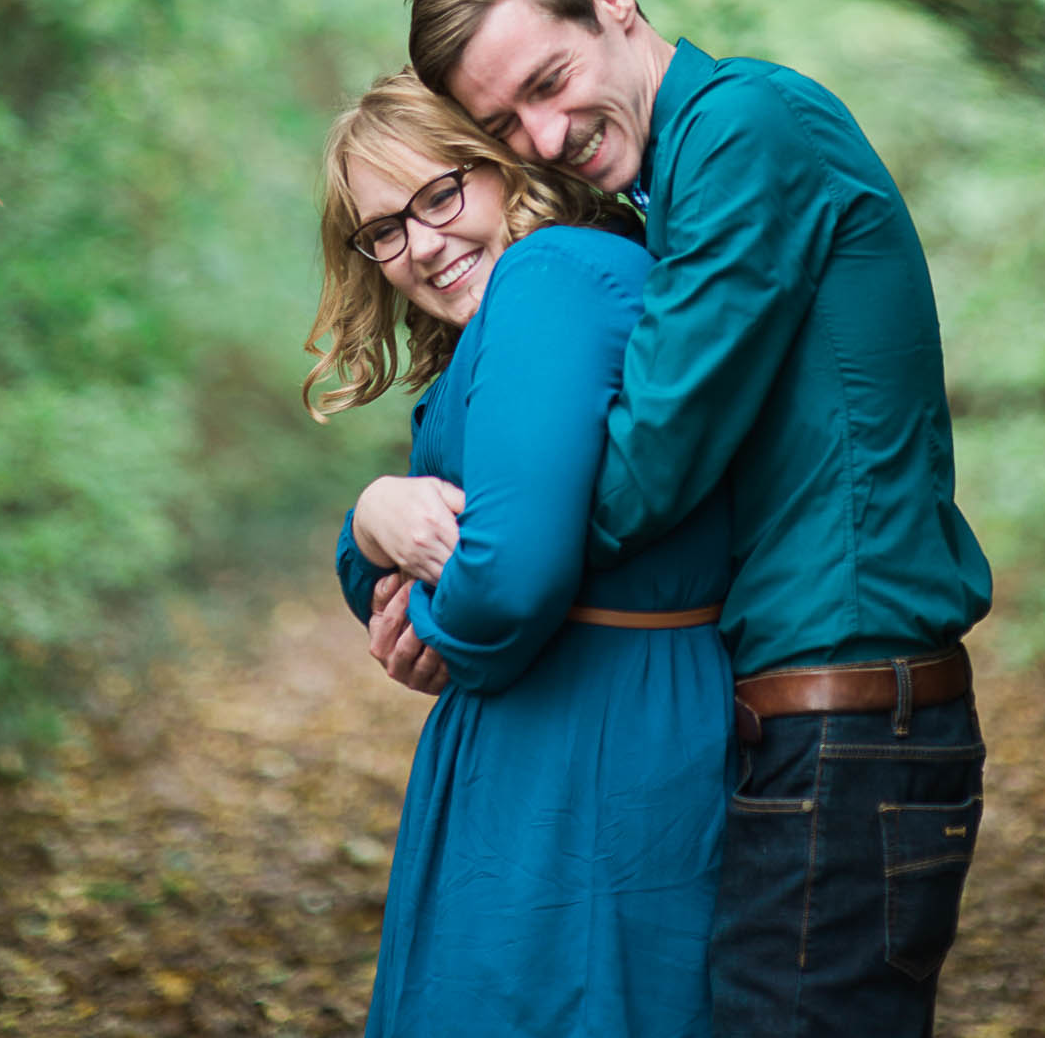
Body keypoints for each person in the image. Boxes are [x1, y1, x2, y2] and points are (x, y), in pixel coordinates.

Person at [375, 0, 993, 1038]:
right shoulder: (664, 198)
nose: (546, 138)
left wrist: (466, 568)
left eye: (551, 82)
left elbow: (648, 465)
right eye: (504, 124)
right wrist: (382, 517)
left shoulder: (746, 133)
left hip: (850, 723)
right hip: (802, 721)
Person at [310, 70, 733, 1038]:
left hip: (589, 745)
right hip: (568, 734)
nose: (420, 245)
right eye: (384, 231)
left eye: (439, 195)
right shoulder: (520, 314)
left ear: (502, 166)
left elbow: (502, 585)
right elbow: (412, 557)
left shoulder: (551, 277)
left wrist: (425, 615)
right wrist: (371, 519)